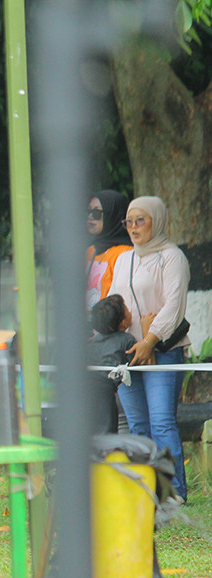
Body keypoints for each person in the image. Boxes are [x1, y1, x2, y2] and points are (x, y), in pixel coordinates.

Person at [108, 196, 190, 501]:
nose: (133, 227)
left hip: (164, 350)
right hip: (129, 353)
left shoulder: (172, 257)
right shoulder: (124, 259)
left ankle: (174, 492)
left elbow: (173, 306)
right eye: (128, 221)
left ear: (156, 220)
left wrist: (150, 339)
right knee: (138, 424)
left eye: (140, 220)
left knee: (161, 421)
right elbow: (117, 303)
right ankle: (146, 491)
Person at [87, 294, 136, 434]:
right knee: (107, 433)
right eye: (127, 309)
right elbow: (141, 361)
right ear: (122, 322)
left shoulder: (94, 341)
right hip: (103, 393)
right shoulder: (127, 340)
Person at [86, 190, 132, 309]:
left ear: (112, 214)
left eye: (96, 213)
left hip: (112, 323)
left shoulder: (126, 253)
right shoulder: (89, 250)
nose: (90, 217)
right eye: (88, 211)